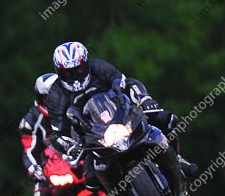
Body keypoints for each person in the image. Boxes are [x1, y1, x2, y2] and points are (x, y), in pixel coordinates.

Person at [46, 41, 197, 178]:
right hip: (92, 136)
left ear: (86, 64)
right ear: (58, 72)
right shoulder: (55, 94)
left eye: (78, 70)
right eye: (67, 73)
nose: (74, 76)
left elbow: (126, 82)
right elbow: (57, 132)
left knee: (166, 120)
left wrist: (144, 99)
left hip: (122, 117)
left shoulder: (99, 67)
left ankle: (177, 158)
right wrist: (70, 146)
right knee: (90, 179)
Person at [19, 73, 60, 196]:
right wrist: (34, 168)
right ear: (40, 97)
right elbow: (28, 150)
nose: (53, 100)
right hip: (53, 168)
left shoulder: (78, 103)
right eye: (48, 97)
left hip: (84, 157)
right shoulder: (31, 121)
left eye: (56, 94)